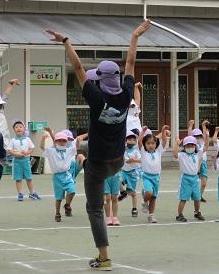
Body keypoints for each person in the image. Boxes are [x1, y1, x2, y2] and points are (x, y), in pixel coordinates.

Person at [45, 19, 150, 271]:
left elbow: (78, 66)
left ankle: (104, 258)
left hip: (98, 165)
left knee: (94, 209)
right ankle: (122, 184)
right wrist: (134, 36)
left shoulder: (95, 97)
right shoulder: (126, 94)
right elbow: (131, 62)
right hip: (118, 161)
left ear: (100, 80)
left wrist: (66, 41)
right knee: (88, 155)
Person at [40, 130, 77, 222]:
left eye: (64, 140)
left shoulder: (69, 150)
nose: (62, 142)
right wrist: (43, 138)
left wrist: (79, 139)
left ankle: (67, 205)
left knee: (72, 191)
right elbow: (41, 147)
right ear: (55, 141)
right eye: (59, 140)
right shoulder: (51, 151)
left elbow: (76, 146)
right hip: (57, 177)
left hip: (67, 175)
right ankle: (57, 213)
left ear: (67, 142)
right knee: (59, 198)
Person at [138, 125, 170, 223]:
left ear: (156, 144)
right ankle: (144, 201)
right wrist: (142, 132)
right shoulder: (143, 151)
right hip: (147, 176)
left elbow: (164, 142)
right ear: (145, 144)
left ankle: (151, 216)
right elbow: (139, 141)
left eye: (153, 143)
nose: (151, 145)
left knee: (153, 198)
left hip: (156, 177)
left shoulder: (158, 151)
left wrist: (163, 130)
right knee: (149, 193)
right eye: (148, 143)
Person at [173, 135, 207, 222]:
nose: (190, 147)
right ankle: (179, 215)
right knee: (183, 198)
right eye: (188, 145)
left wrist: (206, 136)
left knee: (197, 197)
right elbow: (175, 154)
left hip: (195, 179)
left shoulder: (197, 154)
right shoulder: (182, 155)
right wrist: (176, 144)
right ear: (184, 147)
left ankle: (197, 212)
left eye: (192, 145)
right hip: (185, 179)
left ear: (195, 146)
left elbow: (205, 147)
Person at [6, 120, 41, 201]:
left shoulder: (27, 139)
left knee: (29, 178)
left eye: (20, 127)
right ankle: (20, 194)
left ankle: (32, 193)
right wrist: (17, 154)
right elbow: (9, 150)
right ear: (14, 129)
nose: (18, 128)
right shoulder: (13, 140)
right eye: (16, 127)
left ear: (24, 129)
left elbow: (32, 148)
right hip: (17, 162)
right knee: (18, 179)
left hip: (26, 161)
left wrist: (27, 152)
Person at [120, 131, 142, 218]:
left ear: (135, 142)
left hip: (132, 173)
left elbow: (140, 160)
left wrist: (134, 160)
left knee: (132, 193)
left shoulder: (136, 151)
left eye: (133, 139)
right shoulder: (122, 150)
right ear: (125, 140)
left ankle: (134, 208)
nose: (131, 141)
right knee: (118, 180)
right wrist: (131, 160)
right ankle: (123, 192)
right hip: (123, 171)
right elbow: (126, 160)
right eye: (129, 139)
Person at [188, 119, 210, 202]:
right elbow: (189, 134)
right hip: (194, 163)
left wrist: (204, 126)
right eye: (195, 136)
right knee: (193, 181)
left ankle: (200, 196)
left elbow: (205, 135)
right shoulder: (192, 143)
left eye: (199, 136)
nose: (198, 138)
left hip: (203, 163)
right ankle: (192, 195)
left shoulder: (203, 141)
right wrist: (190, 125)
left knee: (204, 183)